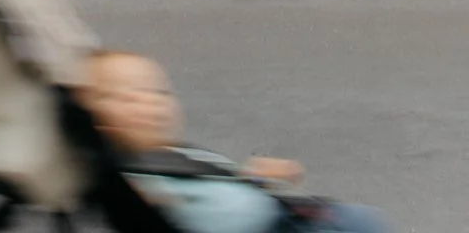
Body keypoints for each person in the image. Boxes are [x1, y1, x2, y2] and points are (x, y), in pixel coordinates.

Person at [82, 50, 393, 233]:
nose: (150, 104)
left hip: (291, 220)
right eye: (127, 96)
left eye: (158, 93)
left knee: (362, 220)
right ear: (96, 118)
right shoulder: (136, 186)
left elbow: (222, 185)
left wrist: (255, 176)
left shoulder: (172, 157)